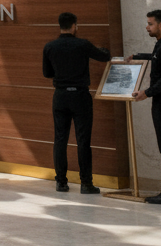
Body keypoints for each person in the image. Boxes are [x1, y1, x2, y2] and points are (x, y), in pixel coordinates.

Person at [43, 11, 111, 194]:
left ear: (60, 26)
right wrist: (105, 50)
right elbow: (103, 56)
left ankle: (61, 182)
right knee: (83, 140)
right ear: (74, 26)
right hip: (80, 96)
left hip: (60, 96)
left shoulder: (50, 47)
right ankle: (86, 184)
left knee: (60, 139)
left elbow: (47, 73)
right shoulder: (82, 44)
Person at [132, 8, 161, 205]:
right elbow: (157, 57)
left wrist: (146, 92)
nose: (147, 27)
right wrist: (138, 56)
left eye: (150, 24)